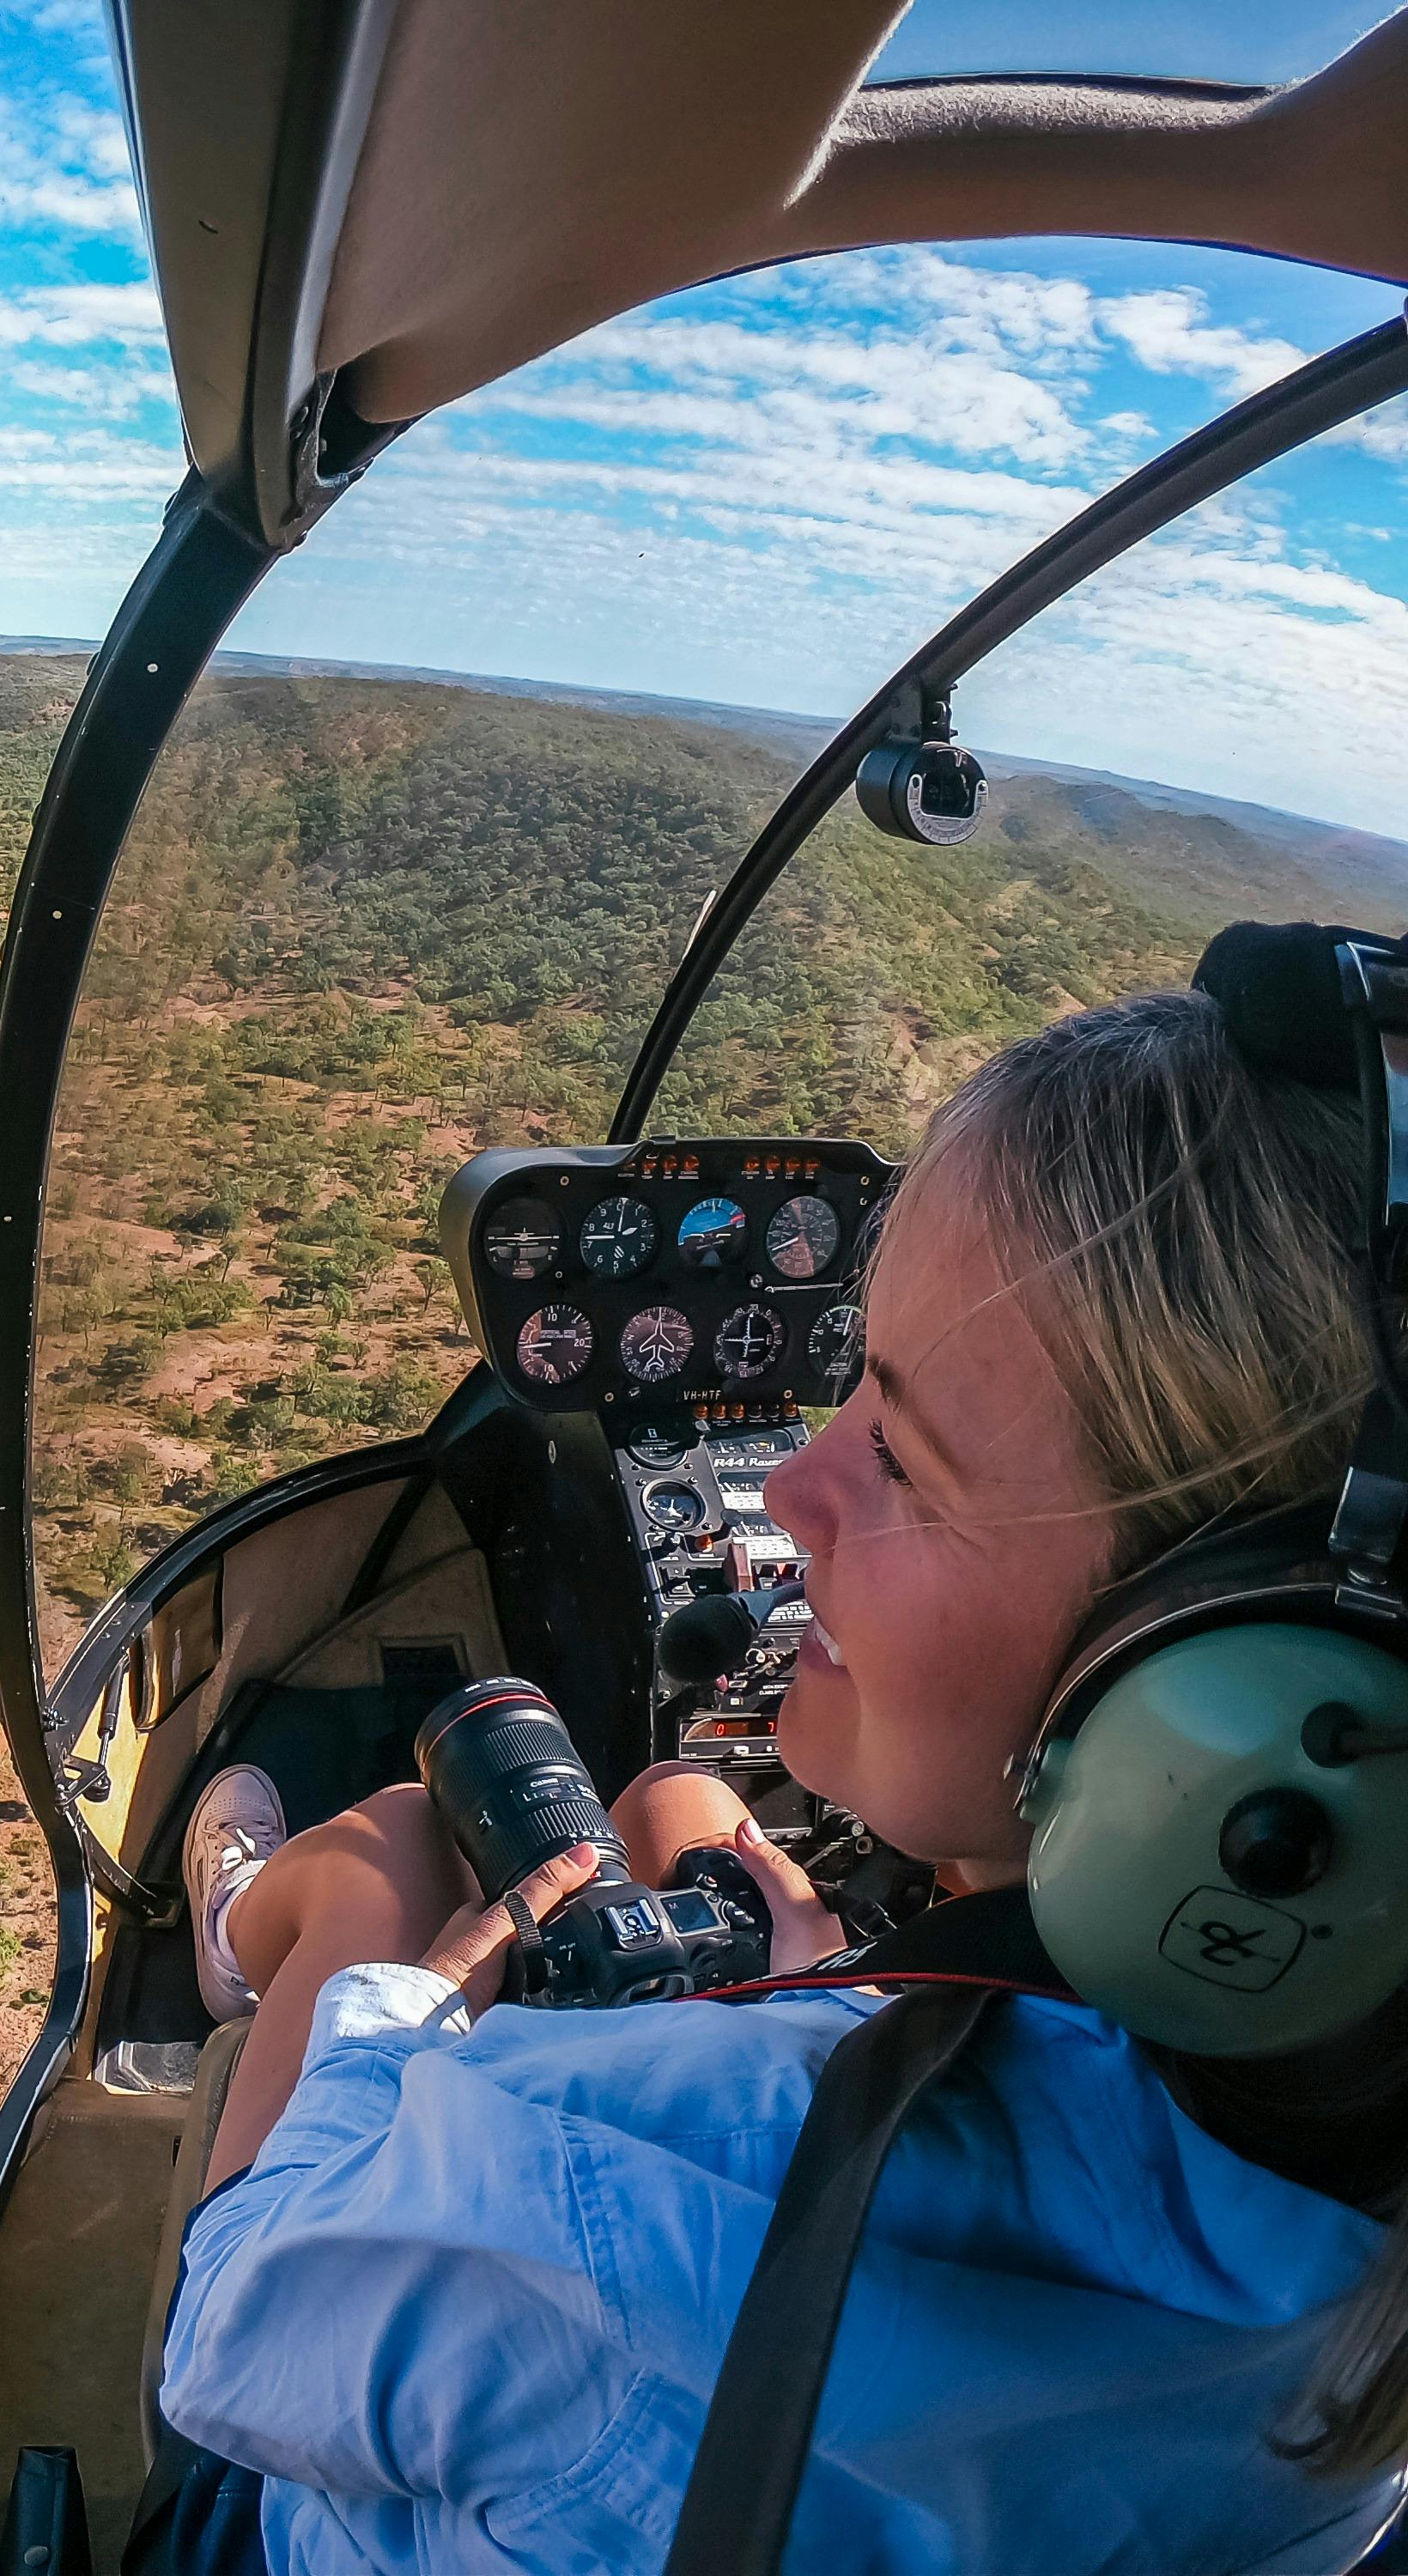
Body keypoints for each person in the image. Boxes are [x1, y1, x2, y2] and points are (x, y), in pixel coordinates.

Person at [155, 978, 1408, 2574]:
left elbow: (234, 2333)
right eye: (854, 1387)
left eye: (900, 1455)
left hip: (289, 2490)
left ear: (1228, 1695)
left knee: (399, 1849)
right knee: (684, 1815)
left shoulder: (624, 2180)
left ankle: (259, 1932)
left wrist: (405, 2015)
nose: (797, 1478)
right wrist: (862, 1995)